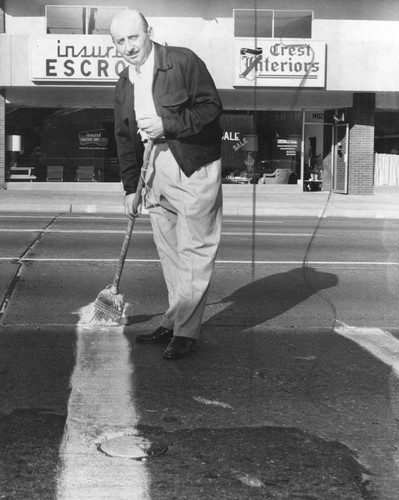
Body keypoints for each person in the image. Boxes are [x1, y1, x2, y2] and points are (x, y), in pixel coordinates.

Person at [110, 10, 223, 360]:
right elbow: (125, 139)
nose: (128, 46)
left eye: (134, 37)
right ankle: (174, 320)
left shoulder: (182, 62)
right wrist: (131, 188)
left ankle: (186, 332)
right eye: (120, 41)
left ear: (149, 32)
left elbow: (211, 109)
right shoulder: (124, 83)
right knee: (171, 255)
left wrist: (167, 124)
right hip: (152, 170)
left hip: (192, 165)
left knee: (194, 252)